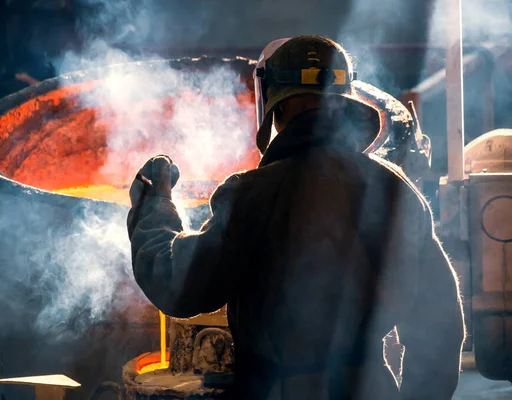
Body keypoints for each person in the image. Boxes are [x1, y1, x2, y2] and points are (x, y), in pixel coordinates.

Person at [127, 36, 465, 399]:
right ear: (344, 103)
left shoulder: (253, 194)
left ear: (277, 107)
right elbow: (440, 326)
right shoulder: (393, 189)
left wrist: (155, 203)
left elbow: (179, 282)